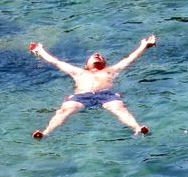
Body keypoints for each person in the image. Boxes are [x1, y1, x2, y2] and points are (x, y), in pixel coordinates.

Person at [28, 34, 156, 138]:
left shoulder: (110, 71)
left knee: (120, 108)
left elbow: (129, 59)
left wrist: (143, 45)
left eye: (101, 56)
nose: (98, 55)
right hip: (81, 96)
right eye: (94, 56)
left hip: (106, 95)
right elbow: (56, 62)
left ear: (104, 64)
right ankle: (46, 132)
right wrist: (40, 50)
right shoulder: (78, 72)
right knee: (64, 110)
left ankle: (137, 128)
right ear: (86, 64)